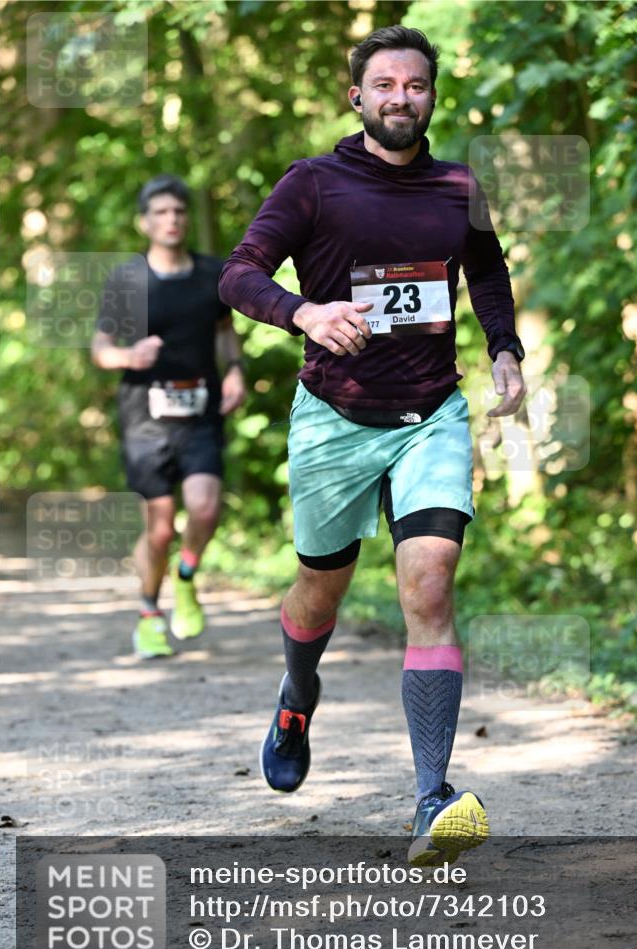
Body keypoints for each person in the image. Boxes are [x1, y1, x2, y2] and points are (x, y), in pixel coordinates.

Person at [219, 26, 526, 864]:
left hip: (429, 413)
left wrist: (503, 347)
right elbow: (239, 272)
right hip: (333, 415)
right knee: (321, 589)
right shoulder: (313, 183)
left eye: (415, 85)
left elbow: (486, 268)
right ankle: (296, 692)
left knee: (428, 580)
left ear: (431, 95)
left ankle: (432, 796)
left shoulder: (459, 184)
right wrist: (305, 312)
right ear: (356, 97)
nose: (400, 98)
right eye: (383, 85)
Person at [92, 175, 246, 659]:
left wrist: (236, 371)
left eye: (178, 211)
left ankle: (185, 576)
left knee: (204, 507)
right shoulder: (127, 279)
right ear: (145, 222)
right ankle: (148, 613)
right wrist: (126, 357)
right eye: (160, 212)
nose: (172, 219)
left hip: (199, 408)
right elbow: (101, 348)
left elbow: (225, 331)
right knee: (158, 528)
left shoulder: (211, 275)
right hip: (144, 415)